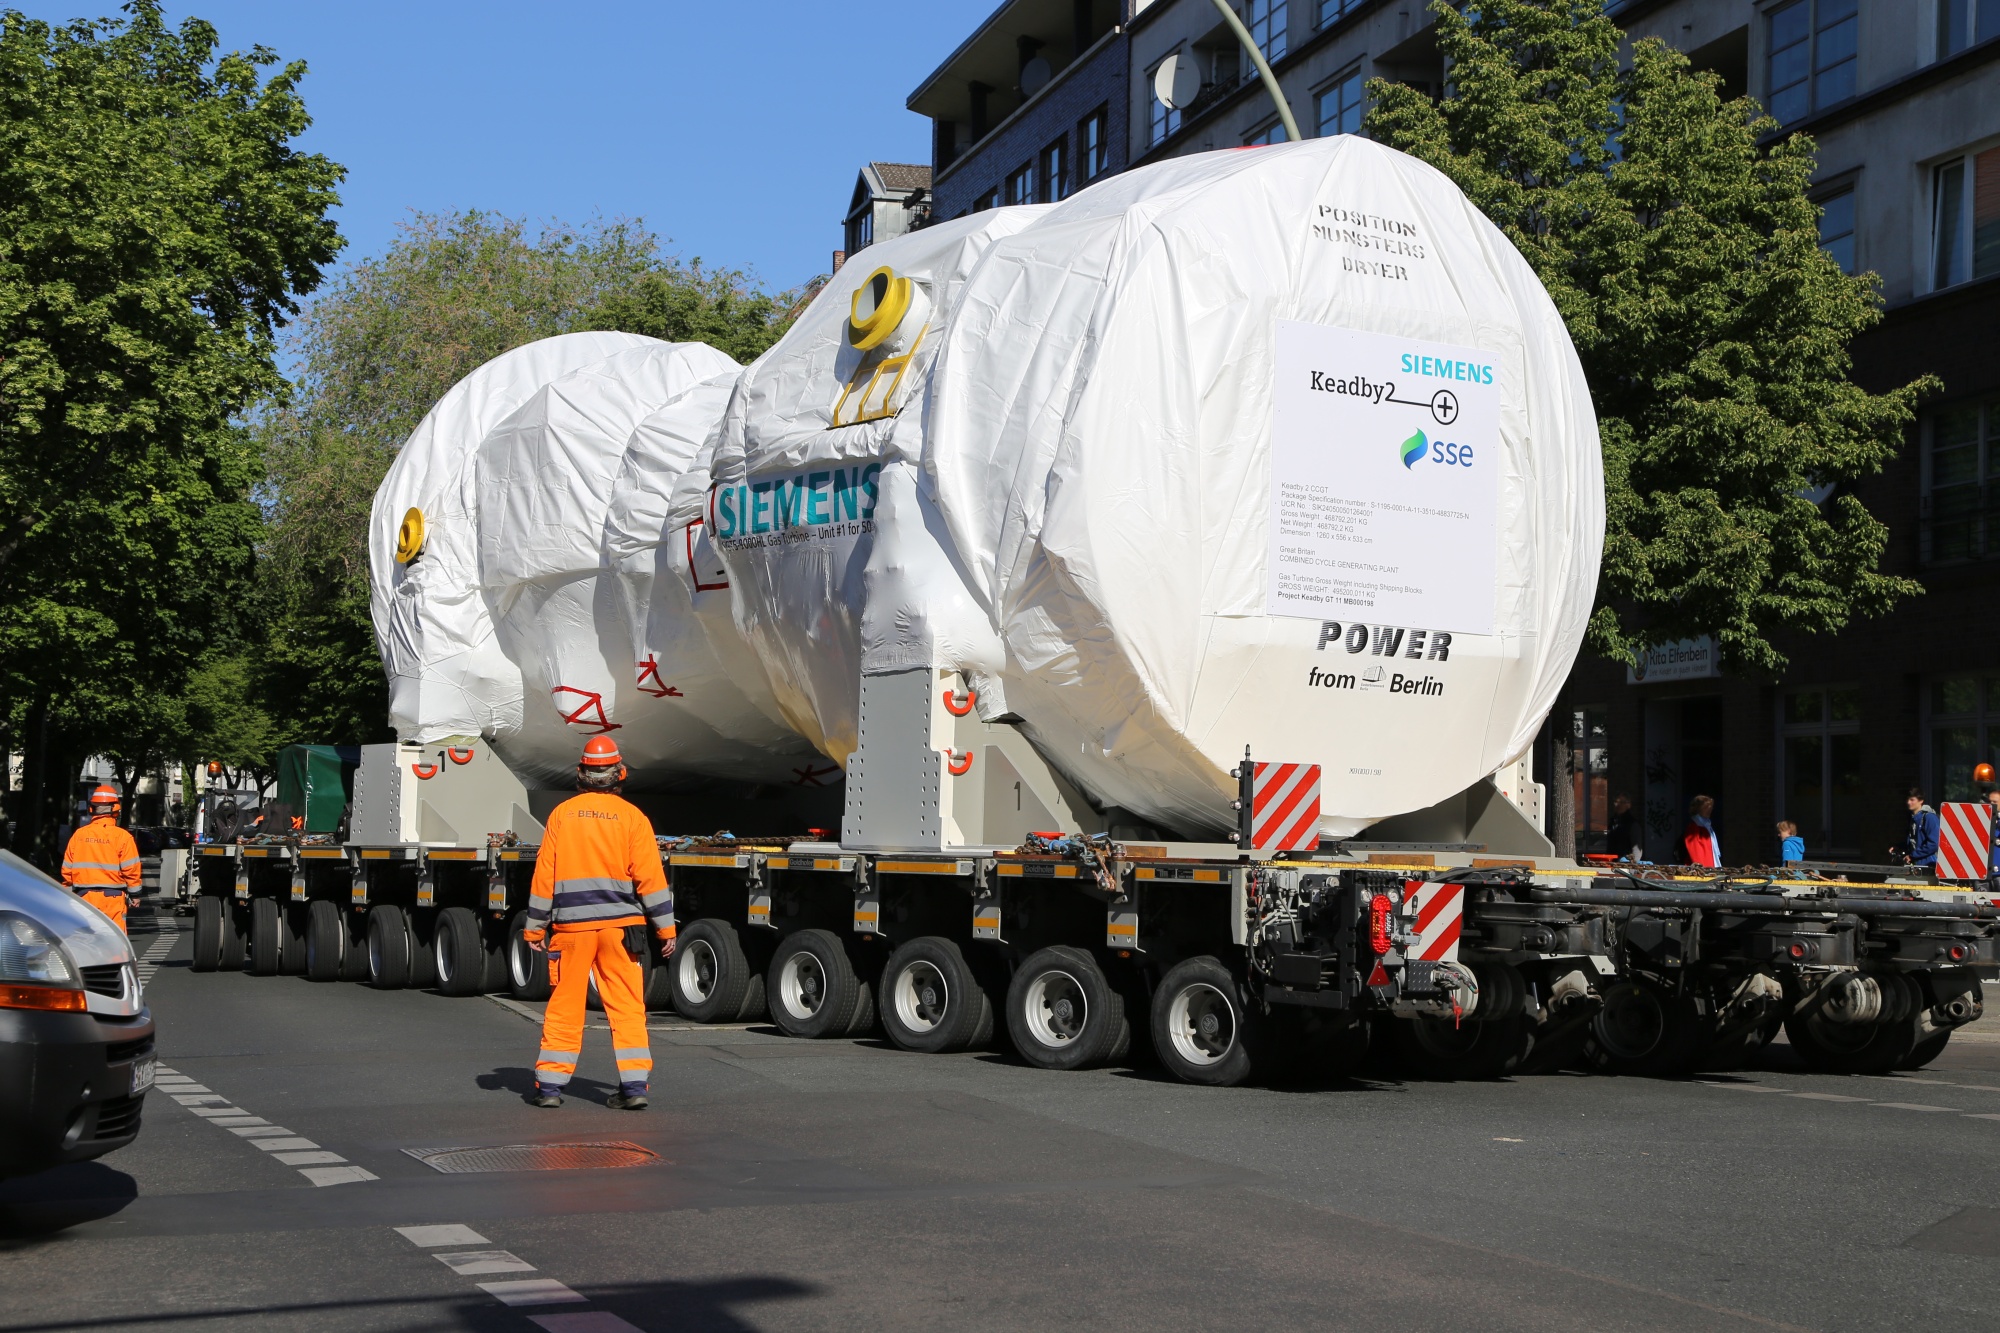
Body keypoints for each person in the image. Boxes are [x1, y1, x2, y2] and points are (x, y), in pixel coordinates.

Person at [524, 736, 676, 1110]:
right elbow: (651, 880)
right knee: (627, 1007)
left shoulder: (562, 814)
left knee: (566, 1005)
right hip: (621, 931)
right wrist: (666, 930)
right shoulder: (632, 818)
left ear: (581, 773)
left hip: (572, 931)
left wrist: (534, 927)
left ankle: (550, 1088)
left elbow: (545, 875)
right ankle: (634, 1088)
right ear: (619, 773)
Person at [61, 785, 141, 934]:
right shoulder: (123, 837)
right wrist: (135, 894)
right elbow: (131, 869)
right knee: (114, 940)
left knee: (86, 941)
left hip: (83, 897)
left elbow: (67, 869)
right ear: (116, 808)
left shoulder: (79, 835)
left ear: (92, 808)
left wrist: (68, 893)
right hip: (113, 898)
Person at [1890, 788, 1939, 869]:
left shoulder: (1930, 817)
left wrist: (1913, 855)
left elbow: (1934, 843)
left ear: (1921, 801)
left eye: (1912, 800)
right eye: (1908, 799)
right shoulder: (1914, 819)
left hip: (1930, 865)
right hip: (1918, 865)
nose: (1908, 802)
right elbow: (1914, 842)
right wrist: (1899, 847)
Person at [1682, 795, 1721, 867]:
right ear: (1698, 809)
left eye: (1711, 807)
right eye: (1706, 807)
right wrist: (1701, 867)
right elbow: (1695, 850)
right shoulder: (1694, 827)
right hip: (1702, 866)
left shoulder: (1707, 826)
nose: (1710, 809)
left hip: (1710, 863)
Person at [1605, 794, 1639, 860]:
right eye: (1616, 802)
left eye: (1621, 802)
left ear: (1628, 805)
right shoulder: (1613, 822)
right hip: (1612, 861)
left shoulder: (1632, 824)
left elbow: (1636, 849)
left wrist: (1633, 865)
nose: (1617, 805)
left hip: (1625, 862)